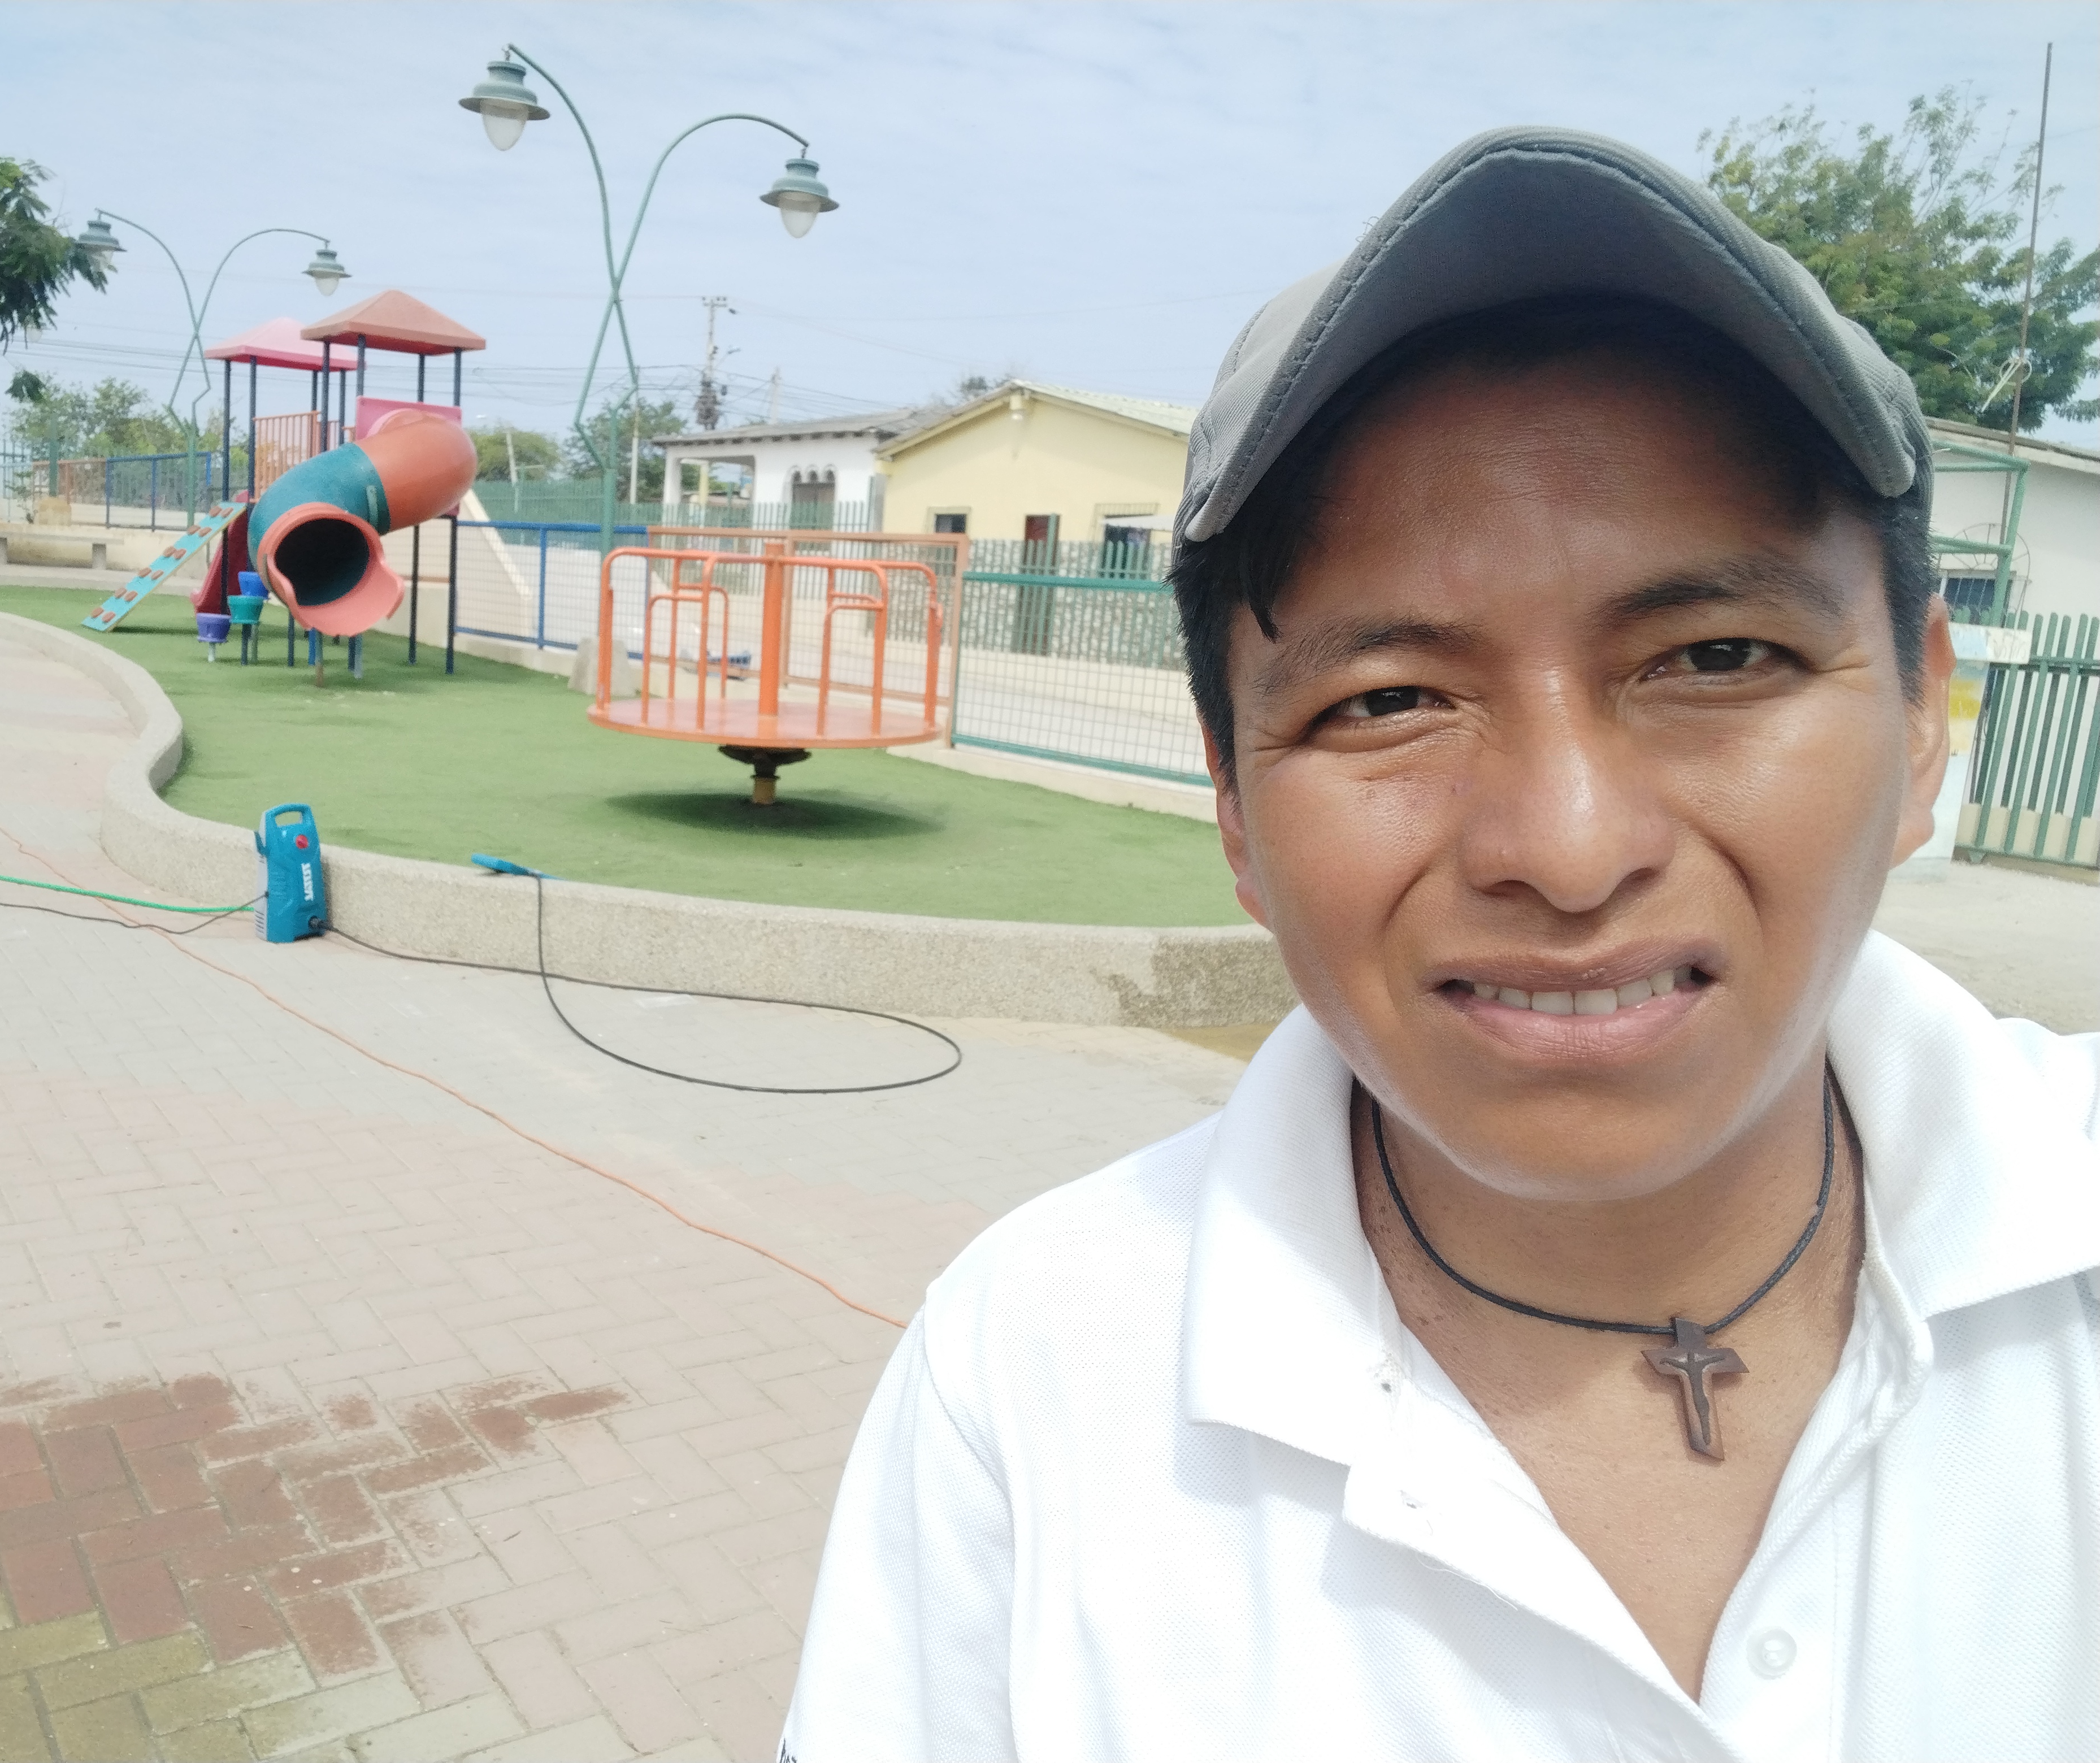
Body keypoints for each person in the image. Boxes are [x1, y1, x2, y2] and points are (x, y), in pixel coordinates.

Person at [780, 128, 2098, 1762]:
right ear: (1237, 813)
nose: (1568, 849)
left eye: (1716, 657)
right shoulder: (1030, 1381)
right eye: (1389, 699)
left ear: (1922, 716)